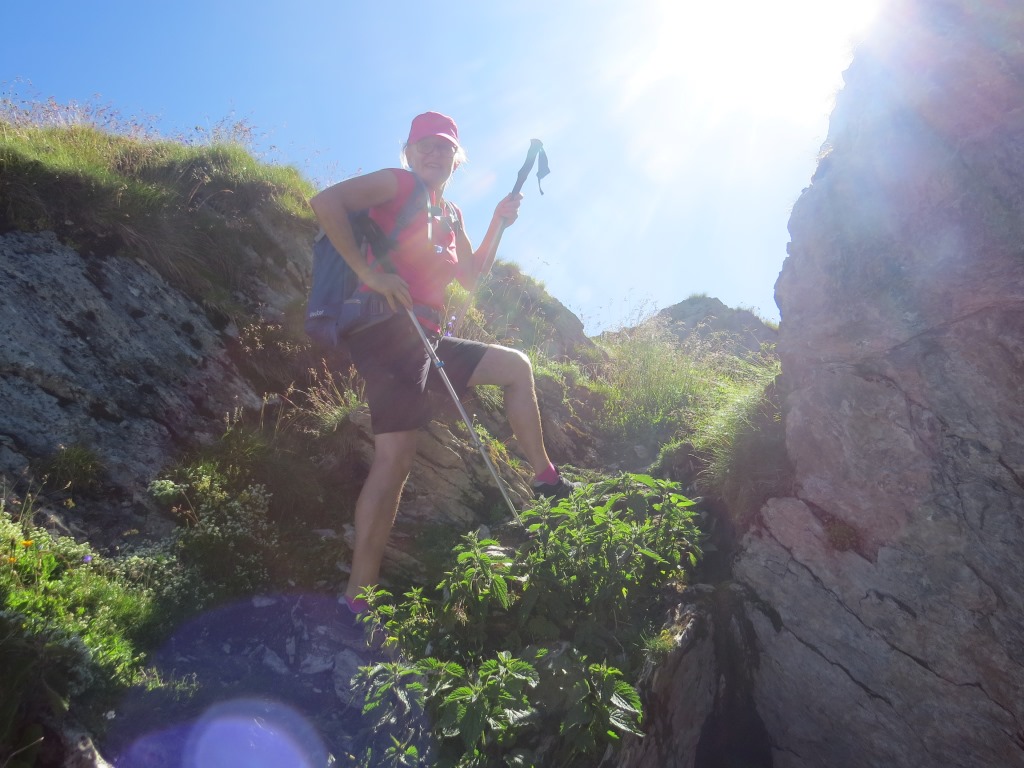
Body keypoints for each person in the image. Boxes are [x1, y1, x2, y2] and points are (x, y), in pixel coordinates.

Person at [308, 111, 575, 622]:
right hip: (387, 330)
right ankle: (358, 599)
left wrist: (497, 223)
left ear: (457, 158)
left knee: (516, 367)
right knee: (395, 457)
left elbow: (471, 277)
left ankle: (546, 480)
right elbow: (326, 202)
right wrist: (369, 273)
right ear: (408, 152)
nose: (434, 153)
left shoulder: (450, 214)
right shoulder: (398, 183)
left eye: (444, 146)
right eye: (424, 145)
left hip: (426, 337)